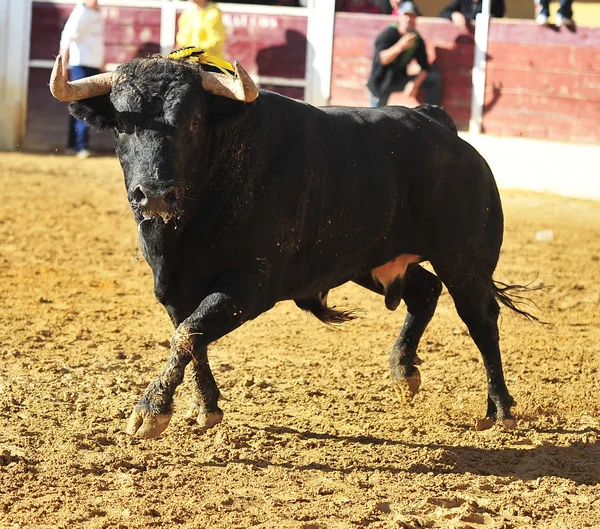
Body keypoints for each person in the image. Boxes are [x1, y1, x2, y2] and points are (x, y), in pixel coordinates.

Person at [367, 1, 441, 108]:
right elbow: (382, 59)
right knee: (376, 117)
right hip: (381, 82)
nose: (409, 19)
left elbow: (425, 67)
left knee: (434, 78)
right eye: (406, 15)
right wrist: (400, 47)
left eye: (412, 16)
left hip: (399, 78)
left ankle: (431, 115)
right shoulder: (389, 34)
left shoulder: (417, 40)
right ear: (400, 16)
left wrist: (415, 83)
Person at [59, 0, 105, 158]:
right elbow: (66, 37)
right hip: (81, 64)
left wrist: (101, 61)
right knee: (83, 104)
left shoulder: (96, 12)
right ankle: (80, 145)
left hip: (92, 64)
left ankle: (74, 144)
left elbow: (97, 41)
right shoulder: (81, 12)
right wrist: (62, 64)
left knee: (81, 104)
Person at [439, 0, 505, 28]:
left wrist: (462, 17)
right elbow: (444, 13)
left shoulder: (492, 1)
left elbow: (477, 17)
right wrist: (453, 14)